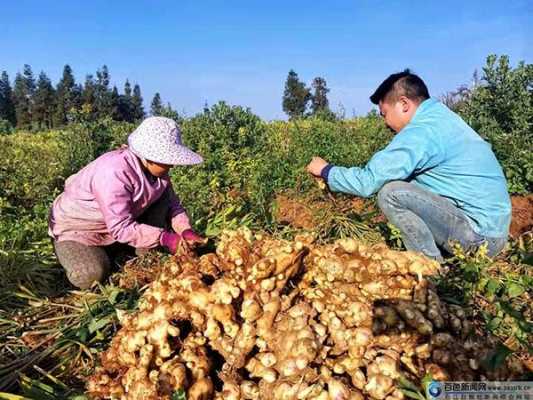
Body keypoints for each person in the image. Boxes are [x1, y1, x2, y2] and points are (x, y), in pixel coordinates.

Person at [306, 70, 511, 262]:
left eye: (384, 114)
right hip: (490, 233)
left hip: (480, 240)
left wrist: (326, 170)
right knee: (403, 183)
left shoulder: (422, 131)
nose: (386, 123)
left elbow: (369, 181)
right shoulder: (441, 119)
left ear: (404, 103)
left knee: (391, 193)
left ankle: (430, 270)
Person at [49, 116, 205, 289]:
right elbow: (121, 227)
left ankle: (126, 248)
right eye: (167, 160)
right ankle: (69, 250)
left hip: (116, 225)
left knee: (163, 200)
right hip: (79, 230)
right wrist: (164, 237)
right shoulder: (113, 172)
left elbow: (173, 205)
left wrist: (185, 230)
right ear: (148, 156)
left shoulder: (158, 172)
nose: (172, 166)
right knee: (91, 275)